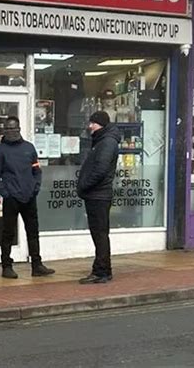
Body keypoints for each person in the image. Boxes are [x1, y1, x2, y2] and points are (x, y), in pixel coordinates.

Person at [0, 116, 55, 279]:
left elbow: (36, 170)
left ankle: (37, 265)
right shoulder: (0, 151)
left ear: (19, 129)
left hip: (29, 196)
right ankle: (6, 265)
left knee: (33, 232)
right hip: (11, 198)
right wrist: (5, 193)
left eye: (14, 128)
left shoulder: (29, 148)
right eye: (8, 129)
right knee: (8, 233)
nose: (11, 131)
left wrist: (35, 188)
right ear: (4, 131)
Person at [77, 111, 120, 284]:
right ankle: (102, 269)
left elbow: (100, 170)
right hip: (97, 194)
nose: (90, 126)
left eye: (93, 123)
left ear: (100, 124)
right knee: (99, 233)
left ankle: (101, 271)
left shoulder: (107, 143)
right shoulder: (102, 141)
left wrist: (85, 184)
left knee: (100, 234)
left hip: (98, 195)